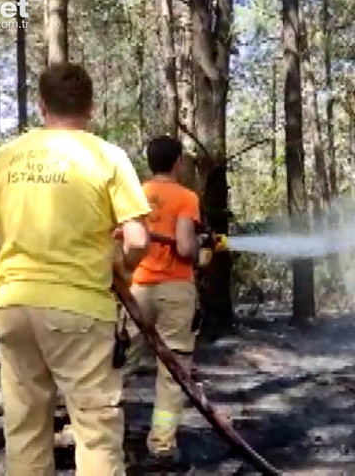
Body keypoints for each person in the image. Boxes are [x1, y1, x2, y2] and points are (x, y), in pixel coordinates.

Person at [0, 63, 151, 476]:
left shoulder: (3, 157)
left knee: (26, 430)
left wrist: (2, 281)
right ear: (91, 107)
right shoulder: (107, 156)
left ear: (41, 105)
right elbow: (138, 239)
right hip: (80, 309)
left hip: (13, 307)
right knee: (95, 432)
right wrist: (121, 268)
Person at [123, 135, 200, 466]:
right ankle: (162, 446)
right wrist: (201, 250)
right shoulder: (185, 197)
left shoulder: (134, 194)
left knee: (120, 364)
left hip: (138, 289)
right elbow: (184, 248)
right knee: (173, 373)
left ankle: (103, 437)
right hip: (175, 291)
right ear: (178, 162)